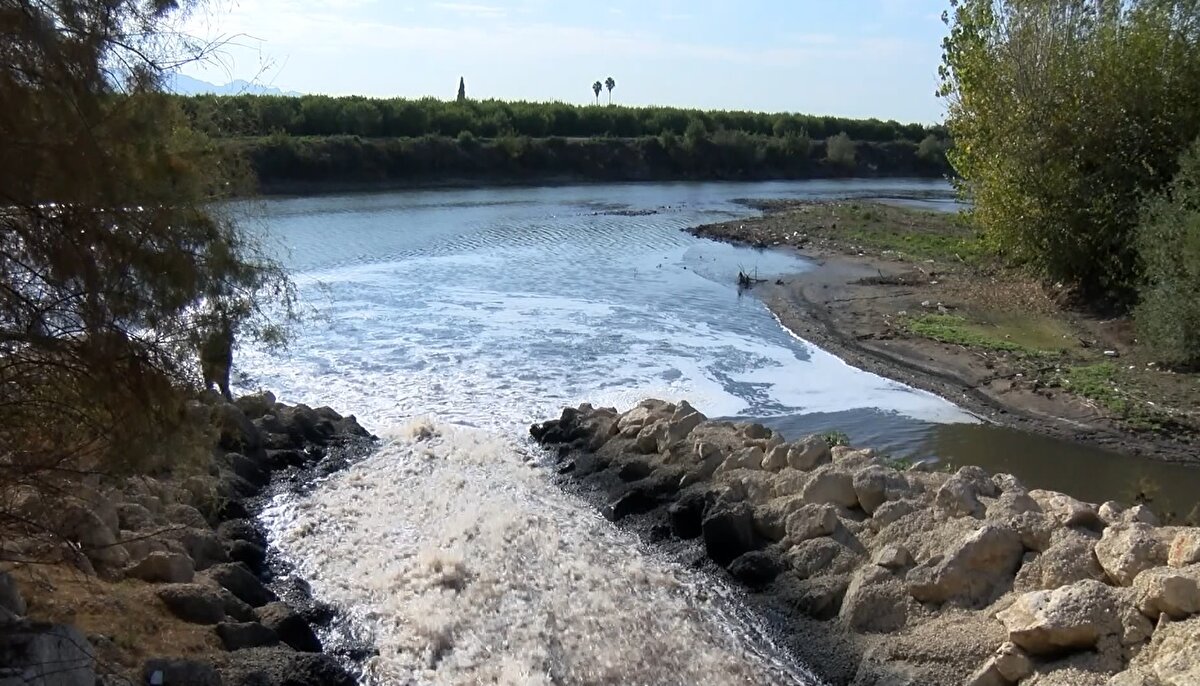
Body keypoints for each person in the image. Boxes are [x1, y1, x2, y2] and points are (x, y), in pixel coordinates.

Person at [199, 314, 234, 400]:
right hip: (213, 364)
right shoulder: (215, 341)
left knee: (223, 388)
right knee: (221, 388)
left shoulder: (222, 343)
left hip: (218, 364)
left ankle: (227, 404)